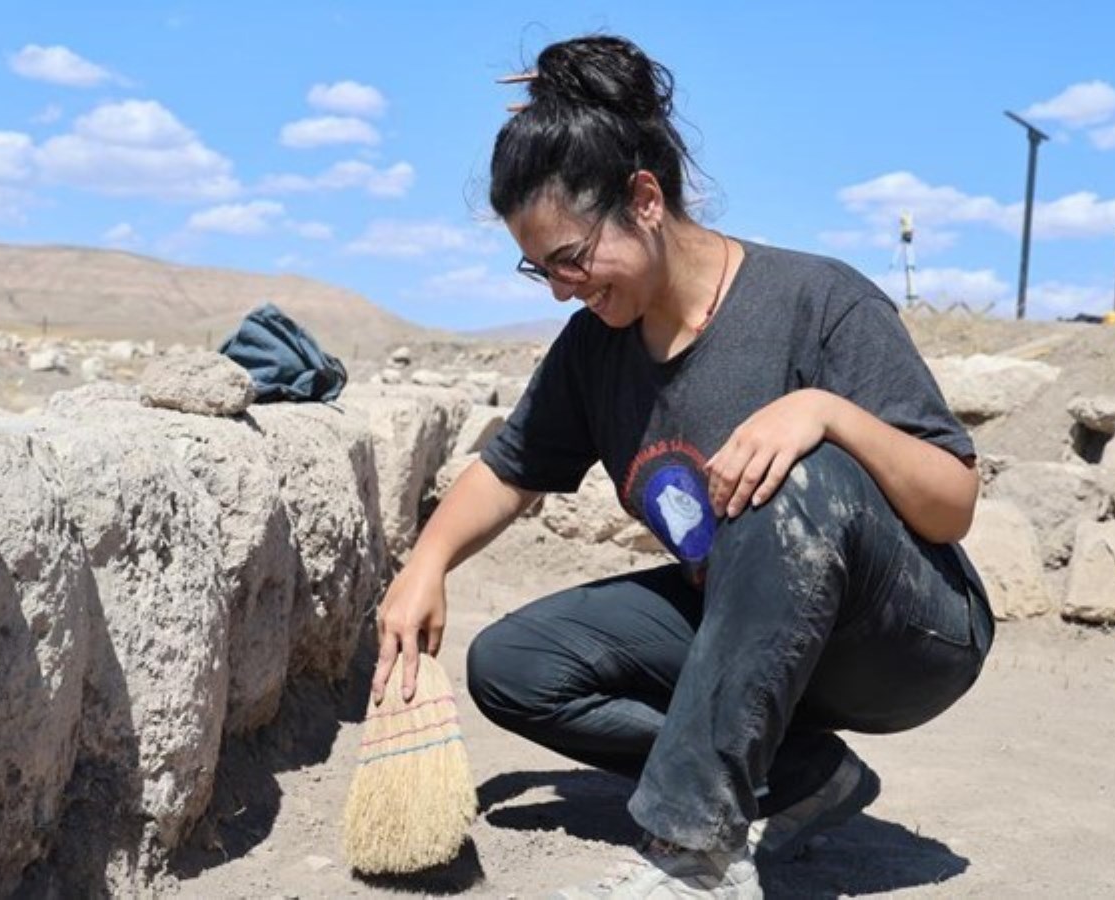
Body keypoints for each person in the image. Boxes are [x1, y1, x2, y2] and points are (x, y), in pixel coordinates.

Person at [370, 34, 995, 899]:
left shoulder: (817, 299)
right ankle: (802, 778)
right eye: (538, 267)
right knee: (516, 664)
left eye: (571, 258)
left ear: (645, 199)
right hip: (756, 633)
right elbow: (510, 468)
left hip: (906, 637)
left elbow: (954, 502)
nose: (561, 288)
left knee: (795, 471)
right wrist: (424, 566)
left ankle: (694, 856)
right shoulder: (596, 347)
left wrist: (827, 414)